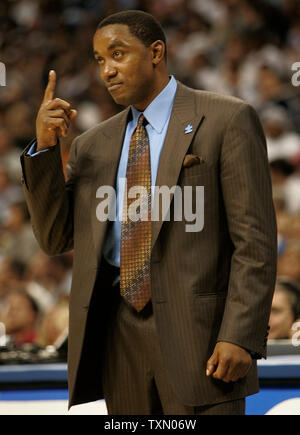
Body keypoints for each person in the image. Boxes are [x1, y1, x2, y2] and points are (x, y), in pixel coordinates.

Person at [20, 10, 277, 415]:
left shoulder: (227, 118)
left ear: (156, 52)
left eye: (117, 54)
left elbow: (255, 242)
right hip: (118, 338)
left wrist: (240, 335)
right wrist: (45, 152)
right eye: (100, 59)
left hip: (204, 340)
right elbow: (56, 237)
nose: (107, 70)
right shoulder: (91, 145)